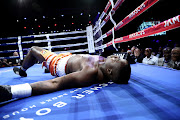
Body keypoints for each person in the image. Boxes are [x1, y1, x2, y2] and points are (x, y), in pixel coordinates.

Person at [0, 46, 131, 102]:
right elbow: (121, 72)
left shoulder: (89, 73)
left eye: (117, 60)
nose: (115, 56)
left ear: (109, 71)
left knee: (33, 50)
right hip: (67, 57)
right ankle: (36, 65)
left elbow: (56, 83)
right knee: (38, 55)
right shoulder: (105, 63)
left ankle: (23, 69)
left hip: (57, 63)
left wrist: (12, 91)